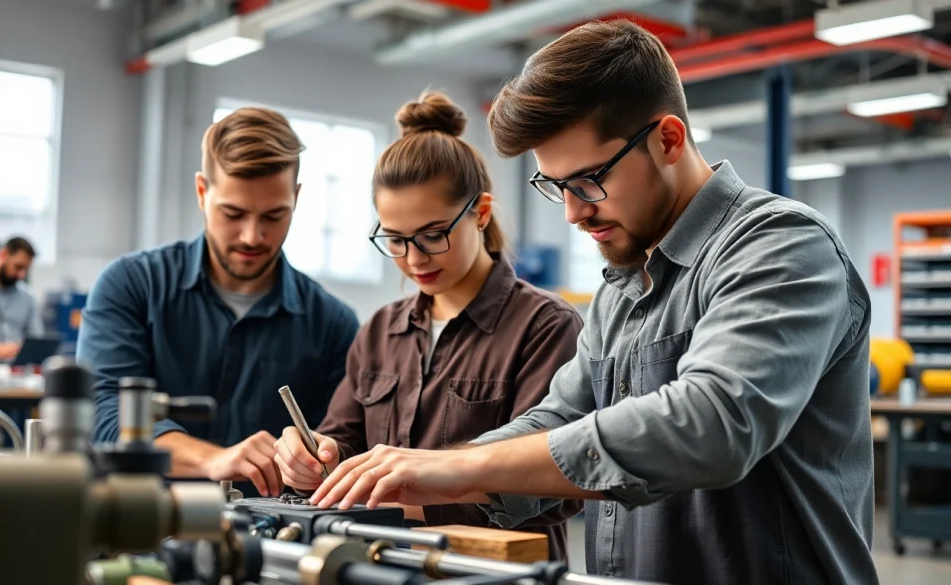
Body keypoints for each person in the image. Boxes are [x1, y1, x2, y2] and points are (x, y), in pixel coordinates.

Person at [306, 21, 878, 585]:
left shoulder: (780, 244)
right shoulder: (621, 286)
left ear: (668, 139)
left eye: (587, 181)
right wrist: (432, 474)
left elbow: (714, 421)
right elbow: (561, 417)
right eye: (555, 187)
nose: (572, 213)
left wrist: (462, 465)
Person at [273, 91, 584, 561]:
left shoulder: (545, 327)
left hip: (494, 572)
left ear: (480, 213)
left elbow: (555, 488)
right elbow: (344, 439)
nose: (414, 258)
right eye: (395, 240)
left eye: (433, 235)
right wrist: (314, 455)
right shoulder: (380, 331)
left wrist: (402, 494)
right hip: (382, 565)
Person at [79, 107, 360, 498]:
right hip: (135, 519)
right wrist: (212, 460)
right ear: (201, 192)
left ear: (296, 199)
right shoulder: (131, 286)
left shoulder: (334, 325)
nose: (251, 236)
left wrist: (319, 457)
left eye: (274, 216)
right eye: (233, 213)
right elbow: (103, 412)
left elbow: (343, 439)